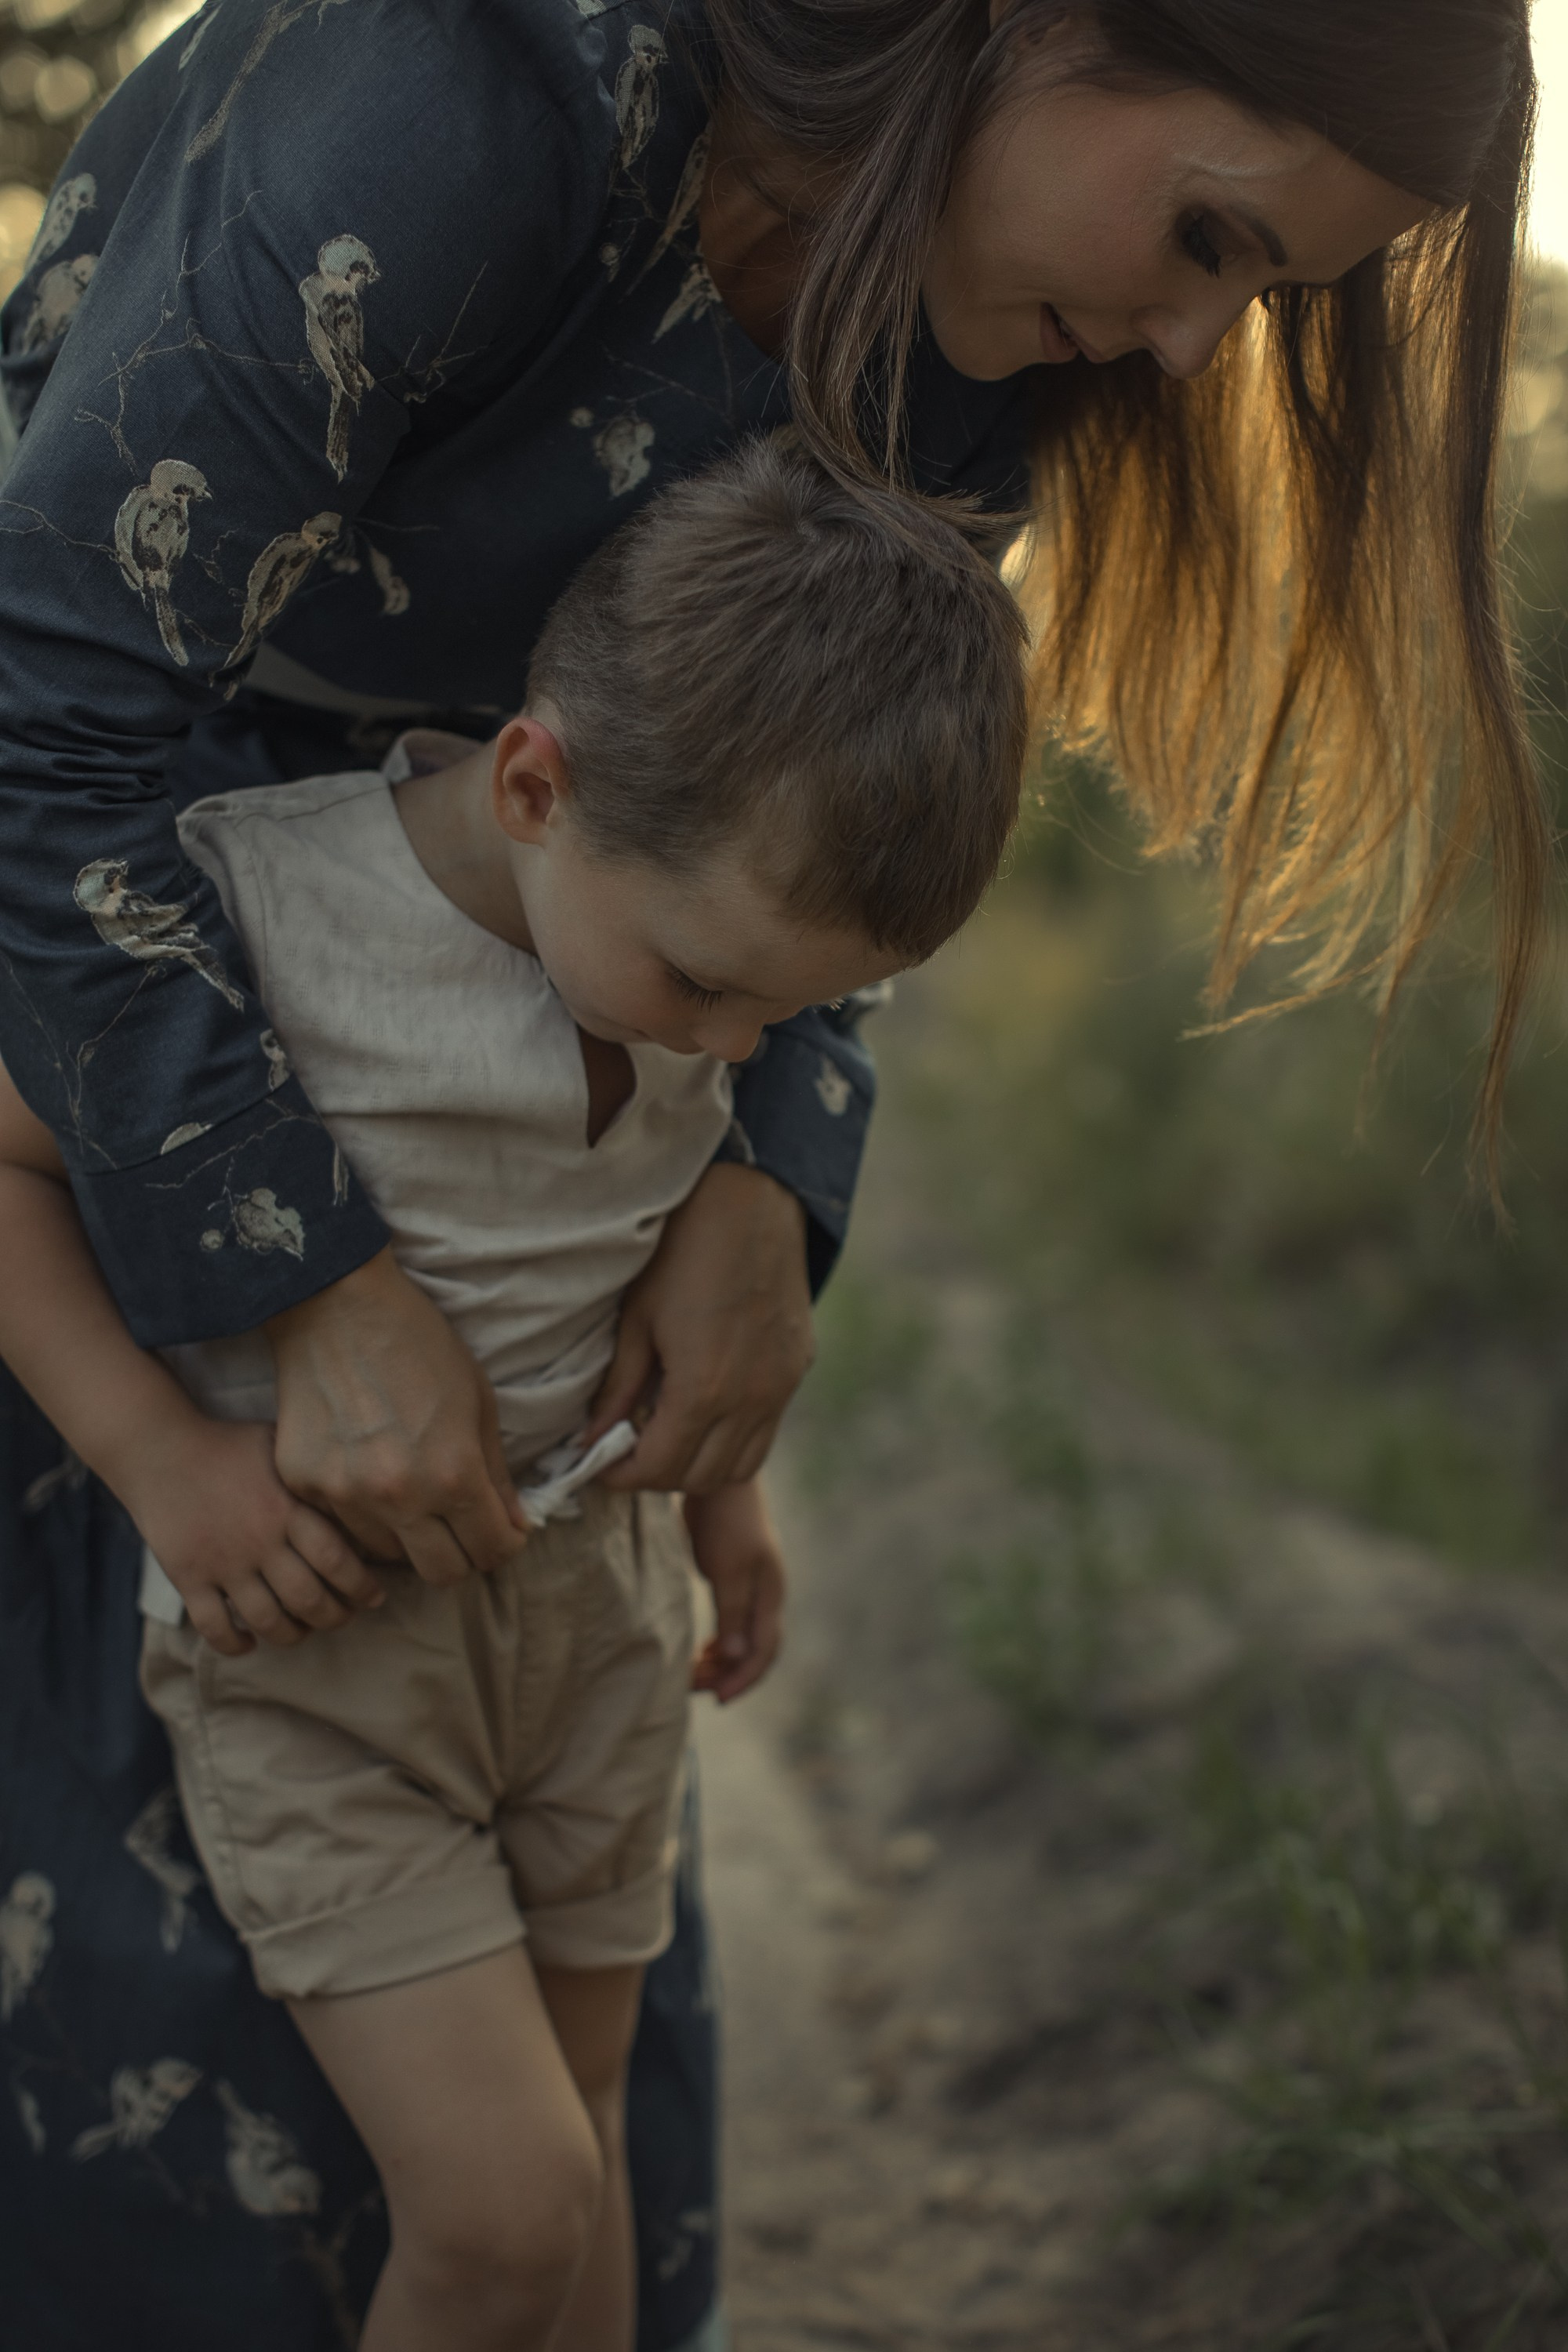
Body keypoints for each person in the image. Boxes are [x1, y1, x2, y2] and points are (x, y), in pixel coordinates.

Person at [0, 1, 1541, 2343]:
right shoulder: (463, 98)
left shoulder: (965, 349)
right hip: (125, 1117)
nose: (1197, 344)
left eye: (1274, 300)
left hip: (531, 1483)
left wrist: (768, 1191)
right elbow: (38, 706)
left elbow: (811, 852)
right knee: (206, 2110)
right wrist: (312, 1286)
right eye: (1214, 236)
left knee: (562, 2131)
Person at [0, 437, 1026, 2352]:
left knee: (591, 2189)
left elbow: (631, 1257)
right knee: (498, 2212)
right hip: (330, 1662)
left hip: (597, 1637)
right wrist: (165, 1470)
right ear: (537, 783)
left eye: (778, 1019)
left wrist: (720, 1496)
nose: (732, 1051)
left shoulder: (694, 920)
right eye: (707, 988)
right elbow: (10, 1169)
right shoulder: (259, 918)